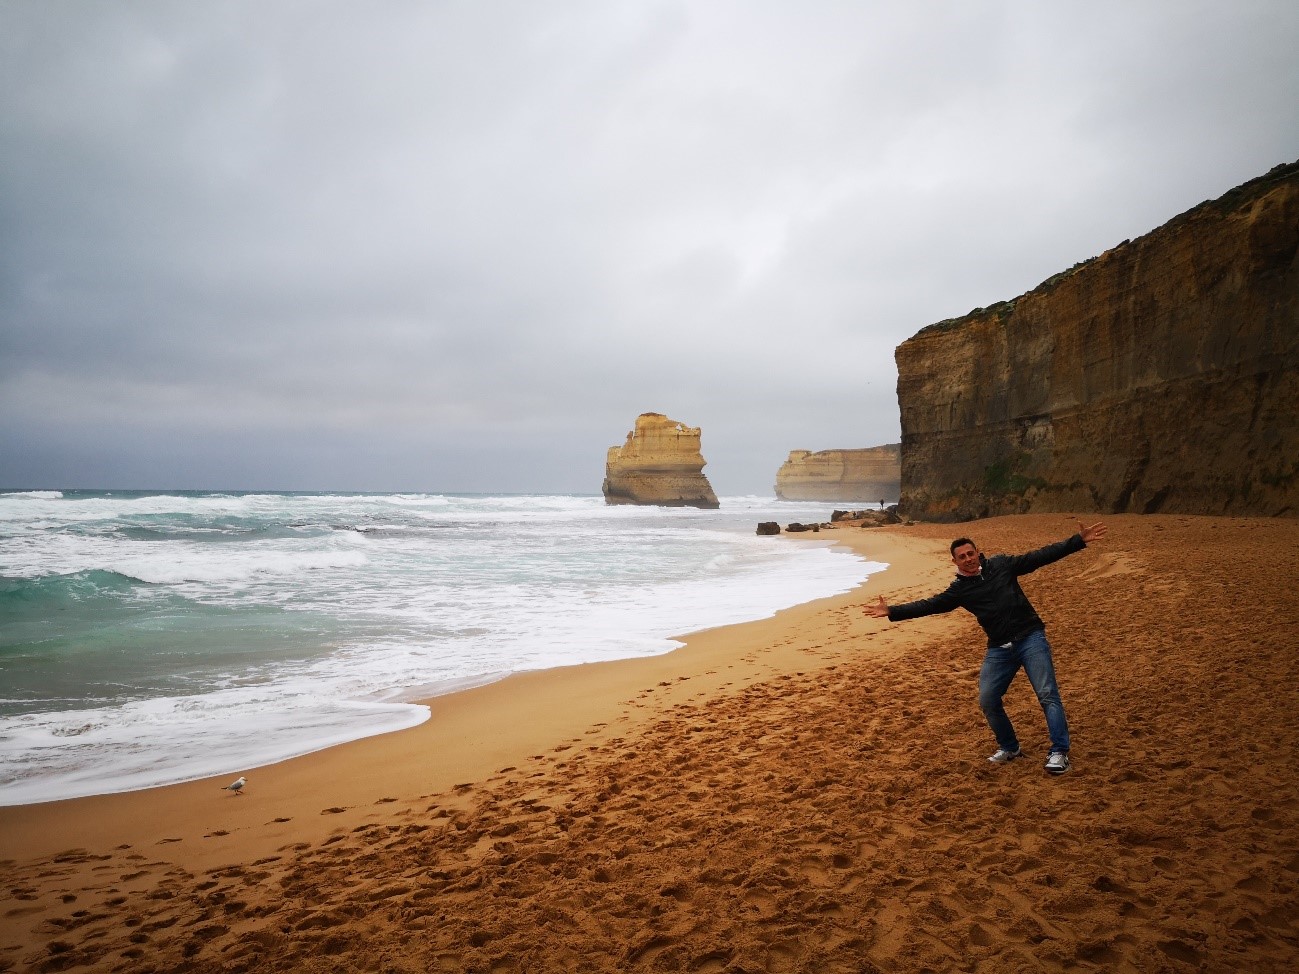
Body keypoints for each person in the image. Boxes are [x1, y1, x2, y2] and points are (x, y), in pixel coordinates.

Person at [865, 521, 1106, 775]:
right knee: (988, 699)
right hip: (1000, 649)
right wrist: (892, 611)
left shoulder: (1001, 565)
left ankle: (1059, 752)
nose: (968, 559)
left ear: (978, 553)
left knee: (1047, 694)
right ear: (954, 562)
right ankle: (1010, 747)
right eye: (962, 557)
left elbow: (1039, 557)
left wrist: (1077, 541)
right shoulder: (959, 590)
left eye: (971, 553)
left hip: (1030, 638)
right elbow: (930, 605)